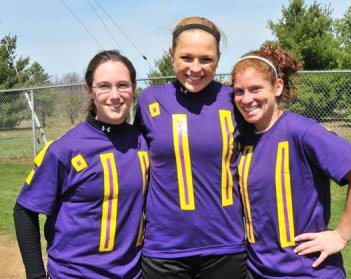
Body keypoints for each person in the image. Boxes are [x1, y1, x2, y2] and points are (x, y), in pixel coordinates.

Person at [231, 44, 351, 278]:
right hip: (258, 271)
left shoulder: (301, 130)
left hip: (307, 271)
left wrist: (341, 235)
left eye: (255, 89)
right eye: (239, 91)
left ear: (277, 86)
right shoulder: (243, 137)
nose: (247, 99)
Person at [13, 50, 149, 279]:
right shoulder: (64, 149)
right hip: (75, 274)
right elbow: (24, 210)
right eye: (104, 86)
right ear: (89, 89)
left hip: (133, 274)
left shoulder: (144, 142)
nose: (114, 95)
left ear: (133, 88)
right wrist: (36, 275)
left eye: (122, 85)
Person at [134, 16, 246, 279]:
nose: (195, 68)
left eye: (206, 59)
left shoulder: (234, 99)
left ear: (218, 57)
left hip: (225, 246)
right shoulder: (150, 99)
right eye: (186, 57)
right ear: (171, 54)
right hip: (164, 250)